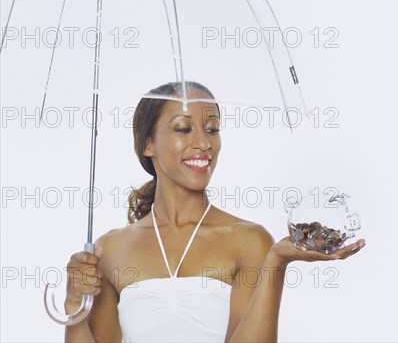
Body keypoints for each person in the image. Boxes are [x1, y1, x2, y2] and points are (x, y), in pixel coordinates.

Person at [63, 81, 366, 342]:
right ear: (148, 145)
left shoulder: (249, 240)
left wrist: (276, 261)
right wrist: (74, 304)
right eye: (183, 128)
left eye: (212, 129)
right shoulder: (110, 251)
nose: (203, 143)